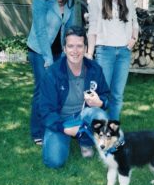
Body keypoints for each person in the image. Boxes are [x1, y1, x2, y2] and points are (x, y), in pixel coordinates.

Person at [39, 26, 109, 169]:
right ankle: (62, 137)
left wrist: (100, 102)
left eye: (79, 46)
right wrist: (63, 128)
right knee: (54, 161)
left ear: (85, 48)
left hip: (84, 115)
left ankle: (85, 141)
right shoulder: (52, 73)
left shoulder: (95, 69)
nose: (75, 51)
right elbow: (45, 110)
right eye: (70, 46)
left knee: (100, 115)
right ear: (64, 48)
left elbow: (106, 95)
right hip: (61, 120)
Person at [27, 0, 76, 145]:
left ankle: (52, 126)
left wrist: (67, 55)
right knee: (42, 90)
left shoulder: (70, 0)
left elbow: (69, 30)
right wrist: (47, 58)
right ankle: (37, 131)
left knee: (57, 91)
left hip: (58, 52)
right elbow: (39, 30)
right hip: (39, 51)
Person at [86, 0, 139, 121]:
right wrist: (89, 54)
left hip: (124, 53)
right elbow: (92, 28)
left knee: (117, 95)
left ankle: (112, 132)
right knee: (101, 95)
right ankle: (97, 130)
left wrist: (133, 39)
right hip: (104, 52)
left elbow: (134, 21)